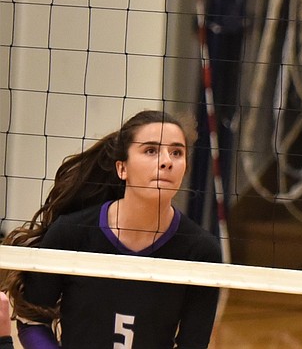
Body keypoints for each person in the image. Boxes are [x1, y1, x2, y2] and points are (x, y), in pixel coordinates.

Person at [0, 110, 222, 348]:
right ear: (122, 169)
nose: (167, 161)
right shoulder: (72, 232)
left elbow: (193, 344)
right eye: (151, 150)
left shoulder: (201, 252)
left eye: (176, 152)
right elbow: (32, 320)